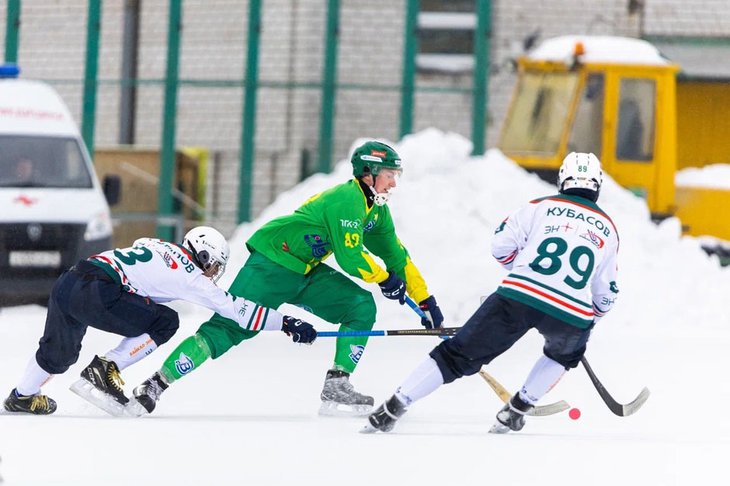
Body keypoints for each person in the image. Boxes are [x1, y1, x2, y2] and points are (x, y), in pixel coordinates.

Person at [131, 140, 444, 417]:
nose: (393, 184)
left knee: (360, 307)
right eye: (390, 175)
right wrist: (384, 278)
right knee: (225, 330)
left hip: (305, 270)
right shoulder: (347, 200)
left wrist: (425, 301)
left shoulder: (374, 212)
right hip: (270, 264)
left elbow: (397, 258)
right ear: (369, 173)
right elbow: (351, 259)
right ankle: (156, 383)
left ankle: (337, 384)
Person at [365, 152, 619, 433]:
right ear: (598, 184)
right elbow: (605, 295)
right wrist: (588, 324)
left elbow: (501, 247)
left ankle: (393, 407)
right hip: (571, 311)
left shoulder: (538, 207)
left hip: (518, 295)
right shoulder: (609, 228)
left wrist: (522, 270)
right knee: (562, 356)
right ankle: (518, 409)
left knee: (455, 356)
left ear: (562, 179)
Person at [3, 226, 316, 416]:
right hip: (98, 289)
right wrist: (286, 322)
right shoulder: (191, 275)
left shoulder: (159, 245)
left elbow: (141, 244)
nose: (213, 275)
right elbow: (236, 309)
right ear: (204, 257)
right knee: (166, 321)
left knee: (58, 355)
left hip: (70, 280)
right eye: (214, 267)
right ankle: (107, 367)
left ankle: (22, 397)